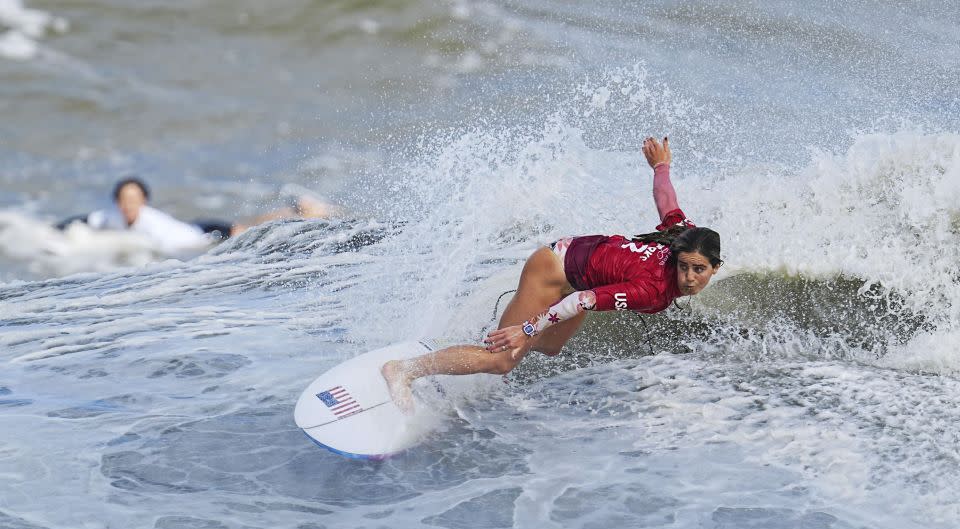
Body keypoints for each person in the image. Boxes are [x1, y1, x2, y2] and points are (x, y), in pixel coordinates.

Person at [381, 137, 723, 411]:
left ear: (715, 267)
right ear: (677, 258)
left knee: (552, 346)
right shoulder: (652, 289)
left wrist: (661, 166)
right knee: (503, 360)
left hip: (579, 267)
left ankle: (483, 339)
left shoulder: (684, 234)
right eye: (683, 267)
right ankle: (406, 369)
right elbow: (583, 300)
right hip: (555, 269)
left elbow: (667, 200)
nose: (689, 277)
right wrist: (528, 328)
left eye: (699, 270)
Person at [60, 176, 340, 254]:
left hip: (201, 235)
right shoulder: (113, 216)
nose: (128, 205)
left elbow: (164, 251)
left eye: (134, 200)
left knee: (246, 229)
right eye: (124, 200)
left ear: (144, 201)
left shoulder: (150, 223)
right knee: (247, 224)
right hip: (191, 226)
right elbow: (86, 219)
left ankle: (301, 213)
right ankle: (298, 210)